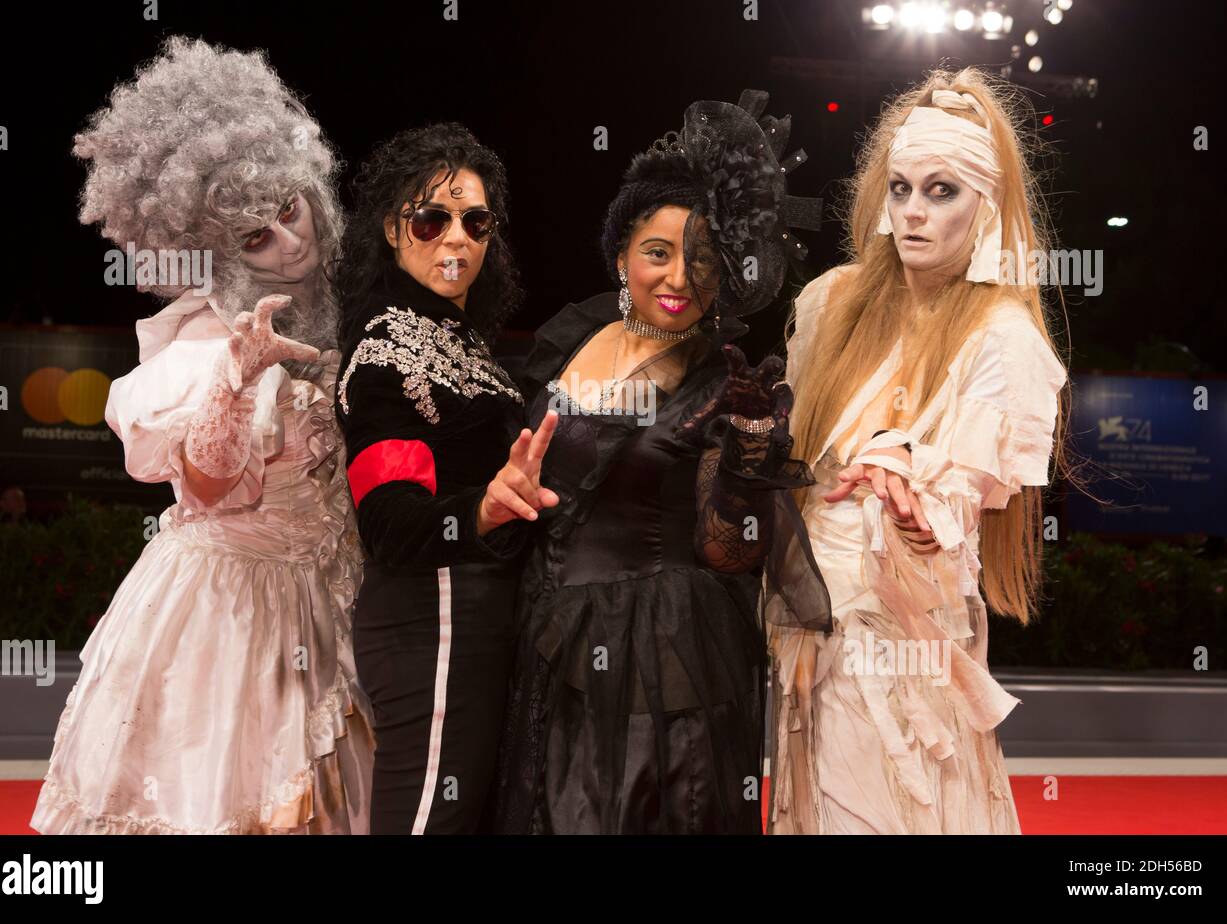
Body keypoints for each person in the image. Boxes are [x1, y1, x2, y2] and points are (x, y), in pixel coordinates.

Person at [31, 37, 372, 834]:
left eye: (288, 210)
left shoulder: (346, 307)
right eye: (255, 238)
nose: (290, 243)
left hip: (331, 605)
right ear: (210, 253)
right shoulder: (201, 342)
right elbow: (214, 486)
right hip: (228, 612)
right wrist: (235, 377)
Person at [493, 91, 826, 834]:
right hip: (550, 630)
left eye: (702, 259)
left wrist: (745, 460)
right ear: (621, 255)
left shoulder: (720, 380)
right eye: (658, 253)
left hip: (664, 644)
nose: (678, 277)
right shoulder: (567, 338)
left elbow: (727, 551)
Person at [769, 68, 1070, 834]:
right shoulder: (831, 304)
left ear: (989, 205)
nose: (913, 214)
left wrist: (917, 518)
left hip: (904, 647)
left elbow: (955, 510)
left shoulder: (1004, 338)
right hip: (805, 635)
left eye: (942, 192)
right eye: (900, 189)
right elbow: (789, 462)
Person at [334, 123, 553, 834]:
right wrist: (483, 510)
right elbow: (390, 525)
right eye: (432, 219)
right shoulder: (385, 354)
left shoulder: (478, 351)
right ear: (394, 232)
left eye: (476, 221)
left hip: (476, 628)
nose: (456, 238)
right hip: (431, 627)